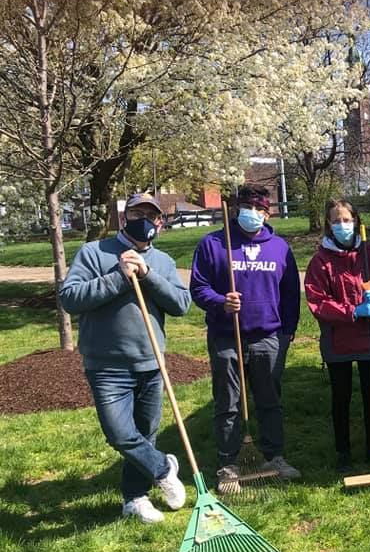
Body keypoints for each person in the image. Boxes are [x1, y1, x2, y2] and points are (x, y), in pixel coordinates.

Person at [60, 193, 191, 524]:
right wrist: (120, 276)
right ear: (124, 217)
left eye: (152, 215)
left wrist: (147, 275)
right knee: (119, 434)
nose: (145, 219)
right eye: (137, 212)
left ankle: (135, 498)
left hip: (151, 363)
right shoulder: (94, 253)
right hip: (107, 366)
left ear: (160, 222)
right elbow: (70, 298)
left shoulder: (162, 260)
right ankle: (163, 467)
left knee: (145, 433)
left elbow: (181, 304)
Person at [189, 184, 301, 491]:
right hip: (227, 336)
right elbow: (198, 287)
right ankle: (228, 464)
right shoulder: (214, 244)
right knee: (229, 402)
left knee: (270, 400)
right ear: (237, 209)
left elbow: (291, 292)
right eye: (246, 207)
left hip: (269, 336)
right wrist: (220, 301)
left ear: (267, 213)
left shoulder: (279, 247)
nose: (251, 213)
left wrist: (288, 328)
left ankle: (273, 456)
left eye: (258, 208)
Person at [303, 199, 370, 473]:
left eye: (347, 220)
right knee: (341, 397)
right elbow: (318, 302)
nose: (342, 225)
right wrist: (353, 310)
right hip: (338, 341)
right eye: (336, 220)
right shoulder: (320, 261)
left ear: (357, 223)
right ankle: (343, 451)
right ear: (328, 225)